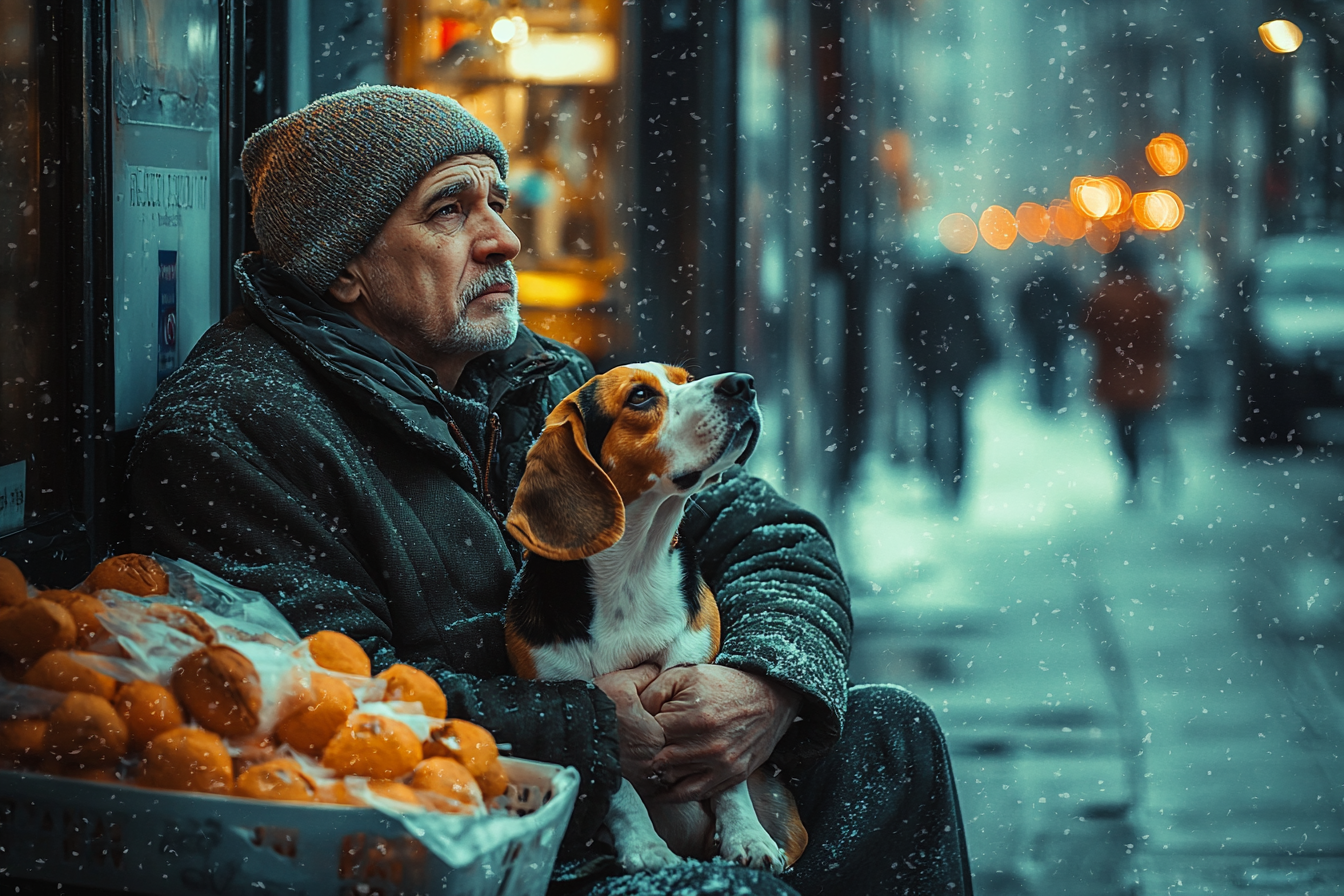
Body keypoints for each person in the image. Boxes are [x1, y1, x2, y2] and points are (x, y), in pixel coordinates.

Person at [124, 86, 972, 896]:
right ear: (345, 268)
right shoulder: (232, 425)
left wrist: (761, 685)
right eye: (450, 210)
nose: (503, 240)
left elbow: (769, 536)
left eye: (497, 203)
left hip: (637, 778)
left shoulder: (536, 376)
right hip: (477, 830)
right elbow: (320, 701)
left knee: (894, 738)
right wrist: (585, 731)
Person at [1078, 239, 1172, 495]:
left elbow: (1087, 327)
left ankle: (1133, 471)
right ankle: (1159, 462)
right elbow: (1164, 327)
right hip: (1148, 375)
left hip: (1114, 374)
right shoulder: (1149, 293)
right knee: (1151, 423)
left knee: (1123, 428)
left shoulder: (1103, 294)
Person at [901, 258, 993, 501]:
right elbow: (978, 325)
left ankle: (935, 469)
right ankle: (957, 477)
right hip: (961, 364)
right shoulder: (967, 288)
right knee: (959, 418)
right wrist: (982, 356)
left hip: (929, 363)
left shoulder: (922, 287)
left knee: (930, 417)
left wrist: (915, 356)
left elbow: (907, 327)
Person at [1016, 264, 1077, 409]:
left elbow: (1023, 306)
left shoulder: (1033, 285)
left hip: (1039, 332)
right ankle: (1058, 398)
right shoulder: (1061, 285)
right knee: (1057, 363)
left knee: (1041, 364)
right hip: (1056, 331)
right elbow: (1072, 304)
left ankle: (1044, 397)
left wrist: (1028, 325)